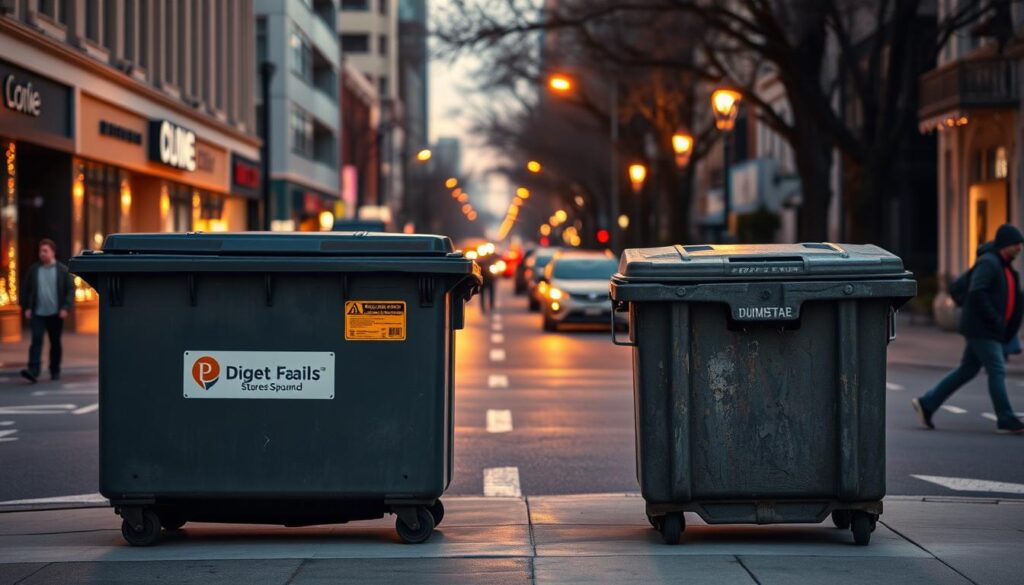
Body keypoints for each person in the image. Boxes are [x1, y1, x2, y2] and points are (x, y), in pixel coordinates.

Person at [913, 224, 1024, 434]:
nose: (1019, 247)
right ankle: (1006, 418)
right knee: (997, 369)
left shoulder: (1004, 266)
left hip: (990, 329)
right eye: (1016, 243)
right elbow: (977, 292)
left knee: (967, 369)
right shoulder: (989, 263)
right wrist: (996, 319)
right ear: (1005, 245)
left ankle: (927, 403)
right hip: (982, 328)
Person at [20, 239, 75, 383]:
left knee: (55, 342)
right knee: (36, 340)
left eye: (45, 251)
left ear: (53, 252)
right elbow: (26, 290)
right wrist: (26, 307)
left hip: (56, 313)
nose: (42, 254)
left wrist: (65, 307)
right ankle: (33, 370)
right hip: (38, 312)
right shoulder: (34, 269)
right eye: (40, 251)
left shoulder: (62, 270)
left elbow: (70, 290)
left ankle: (54, 369)